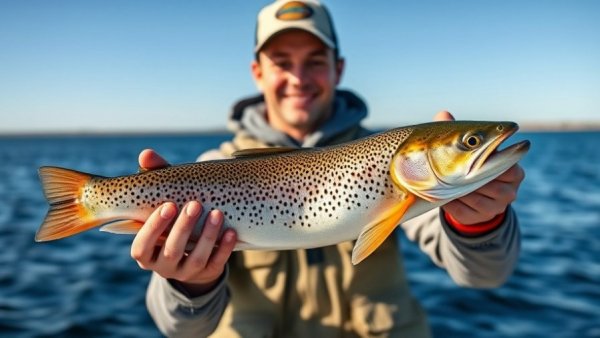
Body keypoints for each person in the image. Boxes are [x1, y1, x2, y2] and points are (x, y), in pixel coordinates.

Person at [131, 1, 525, 337]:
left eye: (314, 62)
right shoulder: (213, 170)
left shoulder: (383, 157)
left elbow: (484, 277)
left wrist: (480, 223)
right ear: (258, 73)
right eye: (282, 62)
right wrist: (190, 282)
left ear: (338, 68)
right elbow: (177, 329)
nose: (298, 78)